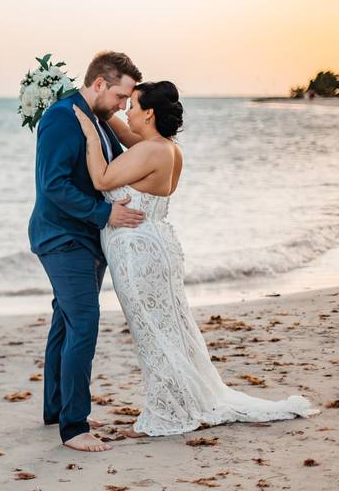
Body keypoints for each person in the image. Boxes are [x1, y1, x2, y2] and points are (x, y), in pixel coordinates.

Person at [72, 80, 319, 437]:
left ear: (150, 113)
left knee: (152, 333)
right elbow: (126, 131)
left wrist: (90, 134)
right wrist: (101, 109)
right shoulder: (164, 148)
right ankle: (180, 401)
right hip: (154, 247)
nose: (127, 109)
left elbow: (101, 178)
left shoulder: (150, 151)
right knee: (170, 330)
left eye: (134, 104)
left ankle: (167, 414)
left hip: (139, 253)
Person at [28, 51, 145, 452]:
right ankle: (74, 427)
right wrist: (104, 214)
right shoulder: (63, 117)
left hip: (87, 239)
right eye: (121, 96)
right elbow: (54, 185)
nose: (124, 106)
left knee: (65, 320)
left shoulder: (98, 119)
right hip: (62, 237)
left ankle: (57, 409)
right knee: (84, 323)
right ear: (99, 84)